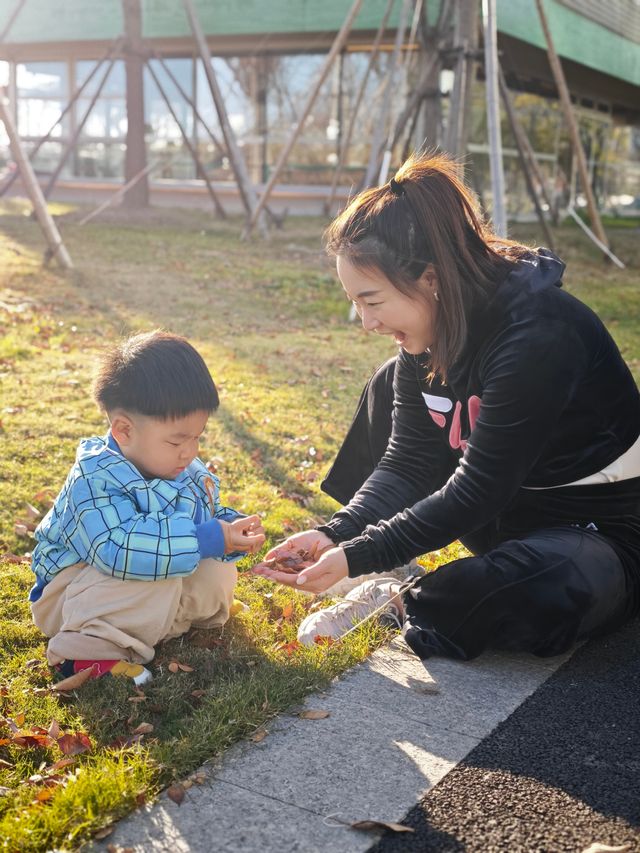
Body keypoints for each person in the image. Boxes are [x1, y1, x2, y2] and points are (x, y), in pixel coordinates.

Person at [253, 152, 640, 662]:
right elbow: (408, 462)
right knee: (388, 383)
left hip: (594, 530)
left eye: (371, 301)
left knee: (546, 592)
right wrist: (337, 533)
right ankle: (392, 568)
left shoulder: (540, 334)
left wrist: (360, 552)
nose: (364, 322)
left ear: (430, 278)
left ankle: (398, 599)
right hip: (506, 513)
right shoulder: (434, 322)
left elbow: (480, 488)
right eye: (355, 303)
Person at [31, 330, 265, 685]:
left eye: (197, 436)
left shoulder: (179, 466)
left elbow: (204, 518)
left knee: (212, 569)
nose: (190, 451)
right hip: (73, 595)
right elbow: (118, 549)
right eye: (176, 440)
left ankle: (164, 624)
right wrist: (202, 539)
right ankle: (83, 651)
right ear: (124, 430)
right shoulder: (94, 479)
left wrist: (228, 530)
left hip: (134, 588)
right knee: (153, 568)